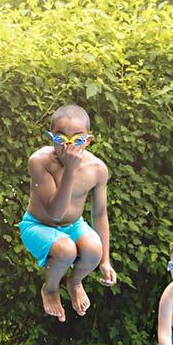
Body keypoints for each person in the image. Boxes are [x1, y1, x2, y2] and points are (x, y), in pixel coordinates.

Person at [20, 104, 117, 322]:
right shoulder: (39, 161)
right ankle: (50, 288)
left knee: (94, 249)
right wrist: (71, 171)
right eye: (61, 140)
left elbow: (100, 214)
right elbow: (55, 213)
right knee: (66, 250)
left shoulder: (97, 169)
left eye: (78, 141)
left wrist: (105, 261)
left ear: (88, 140)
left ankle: (74, 281)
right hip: (38, 225)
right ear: (50, 137)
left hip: (73, 225)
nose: (69, 148)